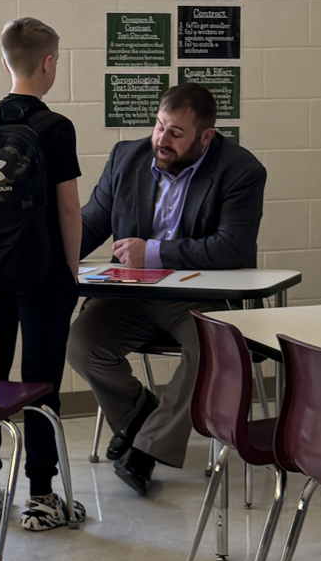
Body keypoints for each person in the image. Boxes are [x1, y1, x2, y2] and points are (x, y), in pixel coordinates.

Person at [67, 83, 266, 496]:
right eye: (159, 127)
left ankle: (145, 450)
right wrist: (50, 255)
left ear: (205, 136)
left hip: (198, 296)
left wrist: (153, 252)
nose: (161, 139)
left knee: (209, 349)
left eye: (176, 133)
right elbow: (91, 223)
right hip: (133, 295)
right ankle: (144, 418)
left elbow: (233, 248)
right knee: (81, 343)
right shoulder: (127, 156)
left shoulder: (241, 170)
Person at [0, 17, 85, 530]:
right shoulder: (56, 127)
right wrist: (72, 270)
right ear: (49, 62)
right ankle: (41, 496)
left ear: (4, 60)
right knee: (41, 384)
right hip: (41, 274)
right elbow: (69, 209)